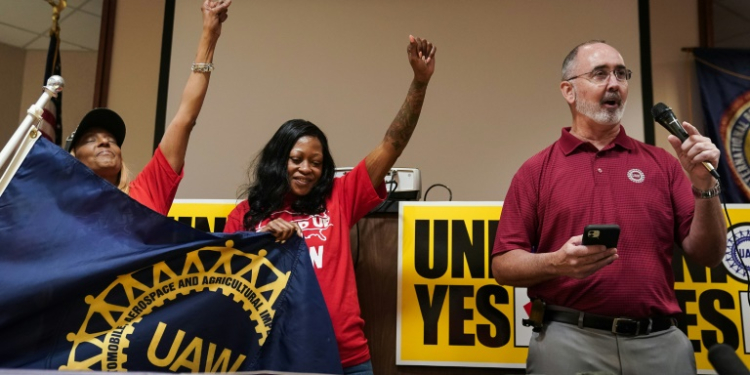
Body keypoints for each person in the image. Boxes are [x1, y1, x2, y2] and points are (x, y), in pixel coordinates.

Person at [491, 40, 726, 375]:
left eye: (621, 74)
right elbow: (503, 265)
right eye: (600, 74)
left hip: (660, 343)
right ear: (568, 91)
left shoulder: (663, 164)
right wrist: (557, 262)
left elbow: (709, 254)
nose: (614, 83)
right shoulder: (536, 171)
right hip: (569, 342)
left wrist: (706, 186)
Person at [223, 35, 436, 374]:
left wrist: (419, 83)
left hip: (346, 356)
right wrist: (260, 239)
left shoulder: (339, 196)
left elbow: (392, 144)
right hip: (278, 358)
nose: (306, 168)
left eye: (316, 162)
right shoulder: (245, 215)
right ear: (279, 160)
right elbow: (229, 284)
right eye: (296, 159)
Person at [65, 0, 231, 216]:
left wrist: (209, 35)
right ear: (73, 158)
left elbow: (185, 119)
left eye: (112, 140)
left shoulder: (148, 190)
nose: (105, 141)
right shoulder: (63, 212)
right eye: (90, 139)